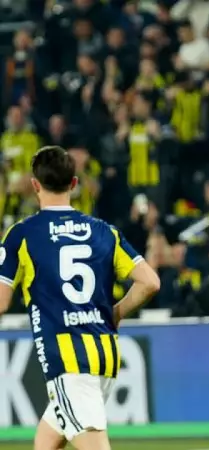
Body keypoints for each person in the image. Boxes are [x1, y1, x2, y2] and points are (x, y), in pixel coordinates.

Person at [0, 147, 161, 450]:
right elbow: (150, 282)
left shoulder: (22, 235)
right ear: (74, 184)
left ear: (35, 185)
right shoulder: (104, 232)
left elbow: (1, 302)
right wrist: (117, 312)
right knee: (46, 441)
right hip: (105, 356)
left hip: (69, 363)